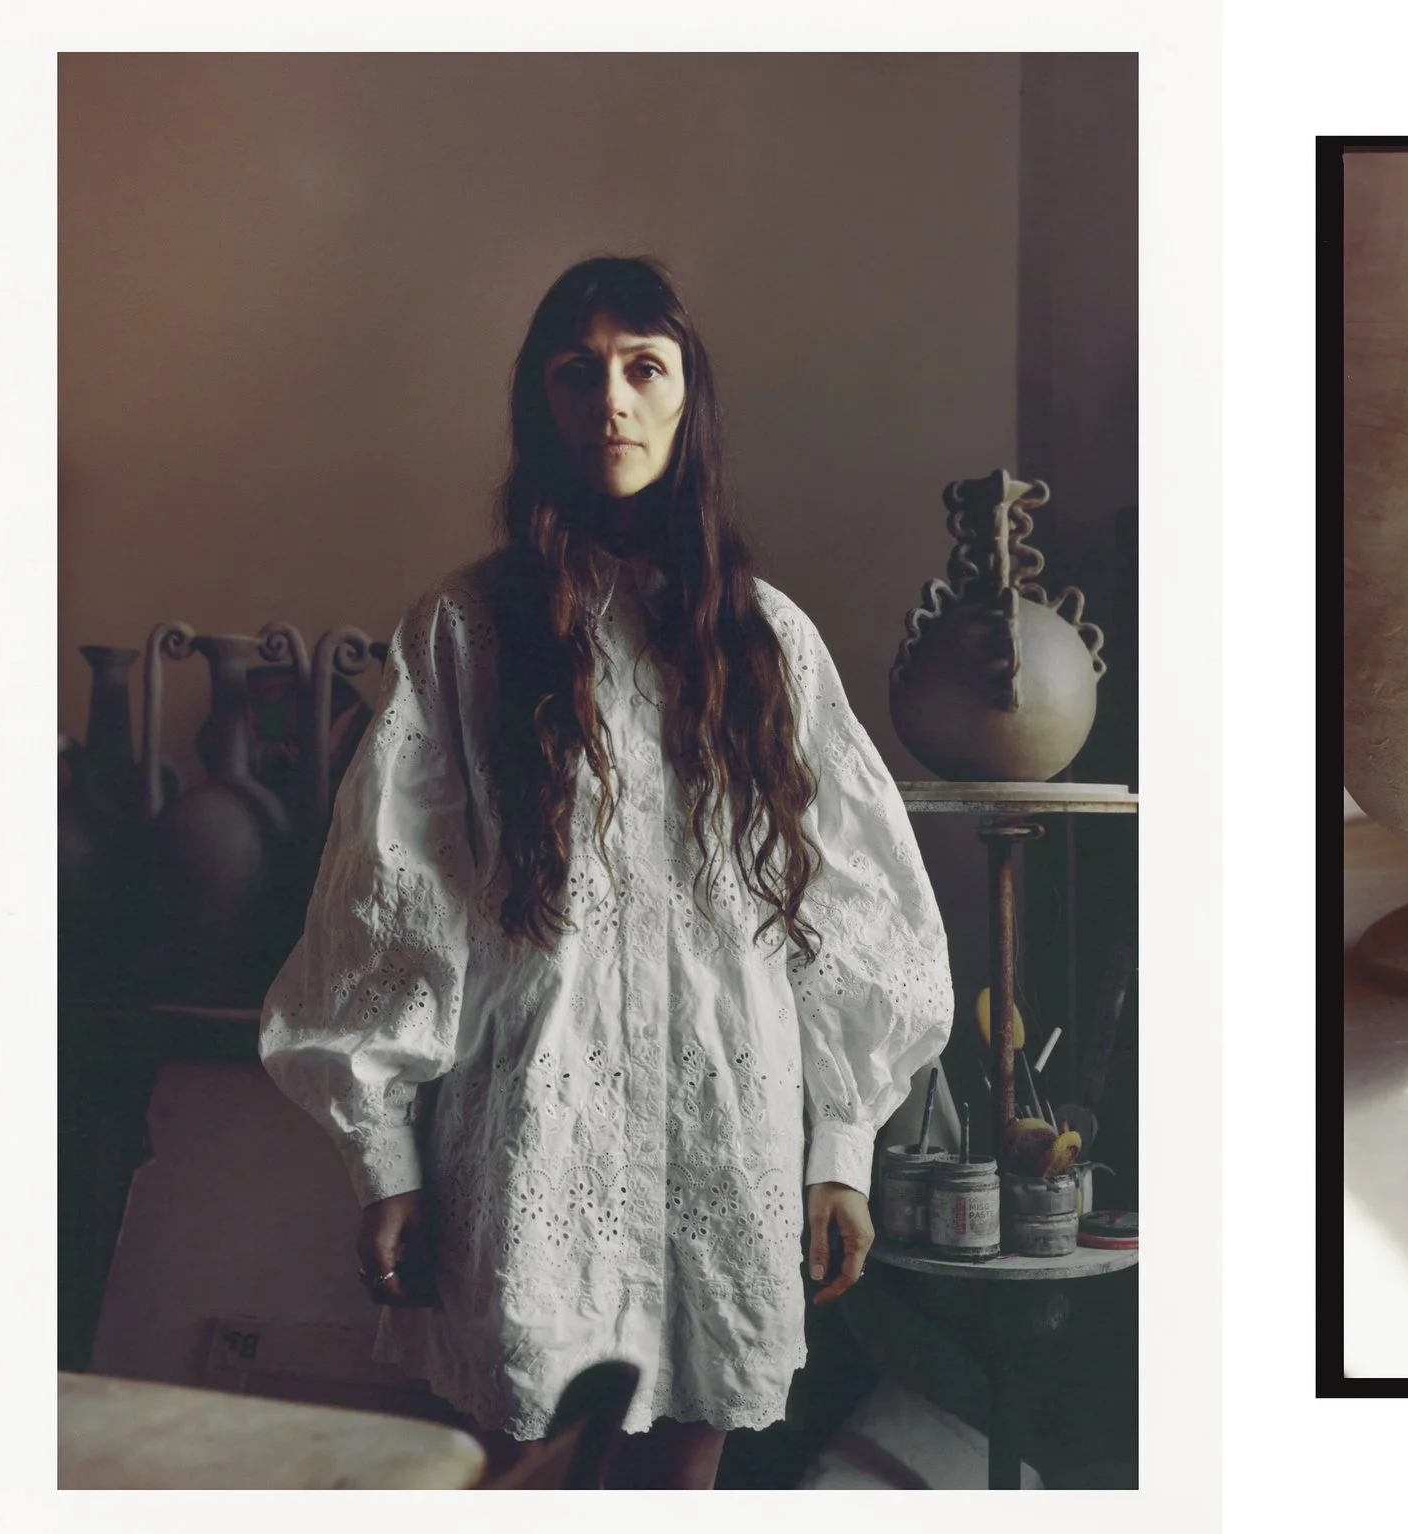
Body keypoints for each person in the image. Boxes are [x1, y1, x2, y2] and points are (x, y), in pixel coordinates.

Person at [260, 255, 954, 1489]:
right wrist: (387, 1159)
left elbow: (853, 904)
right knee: (521, 1461)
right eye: (577, 373)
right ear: (541, 402)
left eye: (644, 368)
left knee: (690, 1471)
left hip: (724, 1131)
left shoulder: (769, 643)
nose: (613, 401)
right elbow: (393, 900)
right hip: (535, 1134)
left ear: (688, 399)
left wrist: (840, 1141)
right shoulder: (464, 632)